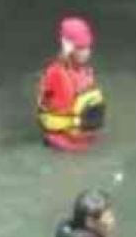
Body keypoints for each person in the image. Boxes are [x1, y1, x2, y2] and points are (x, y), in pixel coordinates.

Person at [36, 16, 106, 151]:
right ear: (68, 48)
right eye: (80, 48)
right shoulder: (57, 74)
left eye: (87, 47)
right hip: (62, 144)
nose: (86, 52)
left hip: (85, 141)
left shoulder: (85, 71)